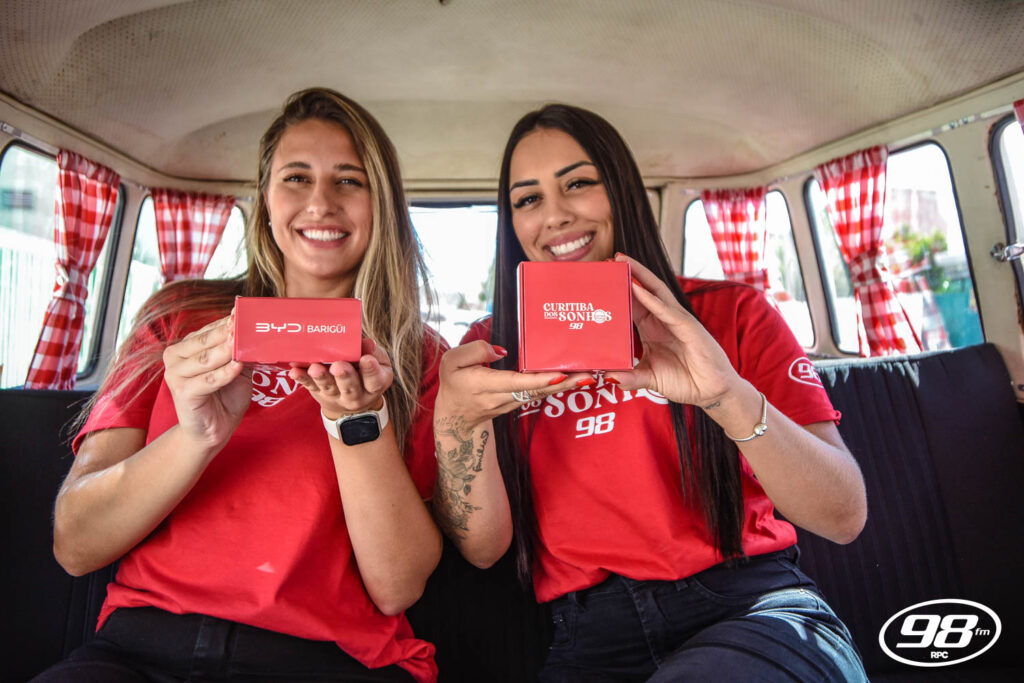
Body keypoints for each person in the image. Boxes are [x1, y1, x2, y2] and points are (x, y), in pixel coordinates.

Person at [432, 104, 869, 682]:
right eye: (528, 199)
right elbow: (483, 549)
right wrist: (456, 423)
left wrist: (723, 395)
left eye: (578, 184)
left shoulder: (731, 313)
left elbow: (843, 516)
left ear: (623, 191)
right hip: (588, 634)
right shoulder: (490, 351)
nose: (555, 215)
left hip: (748, 605)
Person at [35, 88, 444, 683]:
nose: (320, 203)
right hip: (142, 649)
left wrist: (356, 421)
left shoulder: (417, 355)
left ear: (381, 204)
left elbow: (397, 587)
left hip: (326, 660)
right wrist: (196, 437)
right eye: (296, 178)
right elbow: (75, 544)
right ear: (266, 199)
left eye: (349, 181)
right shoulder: (179, 317)